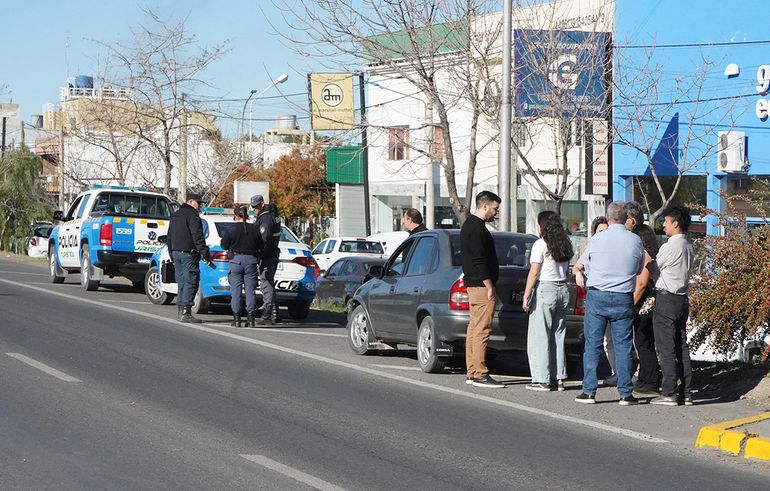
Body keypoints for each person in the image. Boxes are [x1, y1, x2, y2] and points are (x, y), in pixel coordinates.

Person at [574, 201, 644, 405]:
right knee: (623, 345)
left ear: (607, 217)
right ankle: (625, 393)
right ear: (626, 218)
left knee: (593, 344)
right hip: (623, 296)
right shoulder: (635, 241)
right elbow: (639, 268)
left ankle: (589, 391)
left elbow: (585, 264)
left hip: (598, 295)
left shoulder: (597, 239)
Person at [648, 205, 695, 406]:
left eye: (665, 221)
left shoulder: (670, 246)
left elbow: (654, 268)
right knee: (681, 346)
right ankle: (687, 391)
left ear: (675, 223)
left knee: (666, 347)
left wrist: (644, 256)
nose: (663, 225)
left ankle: (669, 392)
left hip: (667, 298)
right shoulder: (689, 246)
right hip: (682, 298)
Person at [522, 211, 574, 392]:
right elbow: (568, 272)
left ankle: (542, 379)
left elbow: (534, 272)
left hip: (546, 289)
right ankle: (559, 377)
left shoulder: (540, 244)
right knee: (558, 336)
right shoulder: (565, 243)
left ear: (541, 225)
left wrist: (526, 294)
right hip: (563, 289)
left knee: (540, 336)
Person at [461, 191, 504, 388]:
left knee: (474, 328)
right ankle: (479, 372)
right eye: (495, 208)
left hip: (474, 284)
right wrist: (489, 286)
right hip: (480, 285)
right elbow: (478, 260)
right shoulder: (477, 228)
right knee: (482, 330)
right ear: (484, 206)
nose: (496, 212)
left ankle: (472, 370)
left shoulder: (469, 225)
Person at [572, 216, 618, 387]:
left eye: (606, 230)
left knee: (614, 339)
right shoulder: (592, 246)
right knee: (596, 340)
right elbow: (577, 266)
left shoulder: (615, 248)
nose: (603, 234)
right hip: (595, 296)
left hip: (614, 295)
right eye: (600, 231)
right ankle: (590, 382)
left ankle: (618, 373)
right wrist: (578, 273)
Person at [167, 193, 211, 323]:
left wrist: (171, 252)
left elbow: (169, 236)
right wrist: (205, 253)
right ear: (191, 202)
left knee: (181, 282)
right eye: (199, 203)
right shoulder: (192, 215)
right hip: (188, 253)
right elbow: (197, 235)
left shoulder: (176, 215)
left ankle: (181, 310)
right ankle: (186, 312)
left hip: (176, 253)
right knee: (191, 282)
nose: (200, 206)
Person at [631, 223, 661, 397]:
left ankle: (648, 381)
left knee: (643, 341)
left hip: (646, 303)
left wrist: (631, 304)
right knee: (646, 342)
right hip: (652, 301)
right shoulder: (653, 254)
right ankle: (648, 377)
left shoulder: (644, 255)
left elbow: (642, 283)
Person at [221, 205, 262, 328]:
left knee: (236, 291)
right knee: (250, 291)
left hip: (235, 261)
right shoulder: (255, 229)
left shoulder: (231, 229)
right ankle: (251, 319)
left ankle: (237, 319)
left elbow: (224, 245)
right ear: (247, 216)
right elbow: (260, 245)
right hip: (251, 261)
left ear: (235, 216)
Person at [251, 194, 282, 325]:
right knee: (269, 282)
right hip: (272, 253)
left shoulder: (266, 218)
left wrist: (260, 254)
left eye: (256, 206)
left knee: (266, 283)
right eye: (253, 207)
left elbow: (264, 238)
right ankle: (275, 313)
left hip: (267, 255)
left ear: (262, 204)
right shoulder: (272, 215)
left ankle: (268, 313)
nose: (255, 209)